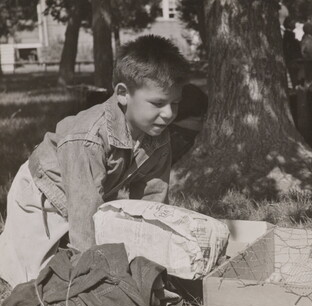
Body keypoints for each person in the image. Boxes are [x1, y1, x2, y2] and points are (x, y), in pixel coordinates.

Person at [0, 35, 189, 288]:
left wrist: (154, 257)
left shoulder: (159, 134)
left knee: (119, 261)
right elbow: (83, 208)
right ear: (123, 94)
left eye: (175, 103)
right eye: (158, 103)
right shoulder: (88, 137)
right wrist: (90, 278)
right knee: (35, 283)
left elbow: (153, 201)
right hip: (42, 195)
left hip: (91, 195)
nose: (168, 113)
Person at [282, 17, 303, 88]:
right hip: (293, 60)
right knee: (295, 78)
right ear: (289, 24)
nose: (294, 24)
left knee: (295, 77)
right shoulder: (289, 35)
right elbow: (290, 48)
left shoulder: (288, 34)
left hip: (292, 59)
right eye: (292, 22)